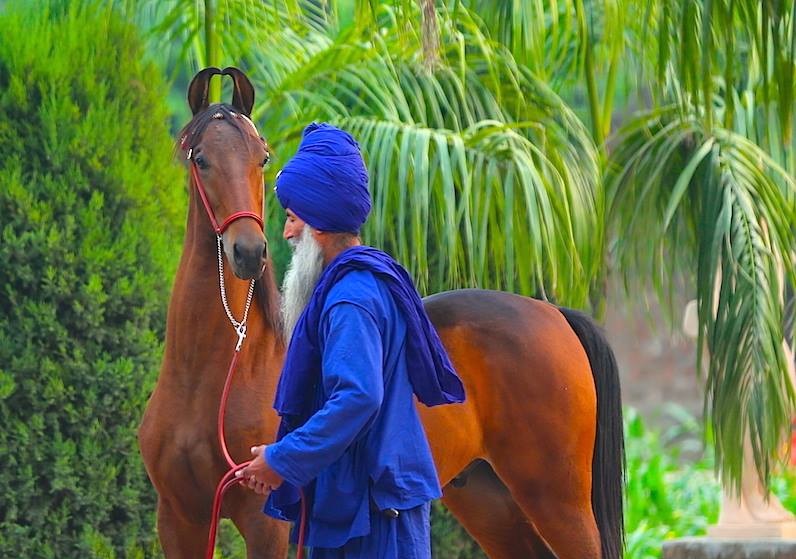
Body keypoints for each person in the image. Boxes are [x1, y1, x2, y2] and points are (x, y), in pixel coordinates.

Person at [237, 122, 465, 558]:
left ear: (319, 225)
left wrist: (283, 459)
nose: (285, 233)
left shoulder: (350, 299)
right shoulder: (353, 286)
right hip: (358, 507)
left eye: (291, 218)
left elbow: (358, 397)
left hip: (374, 520)